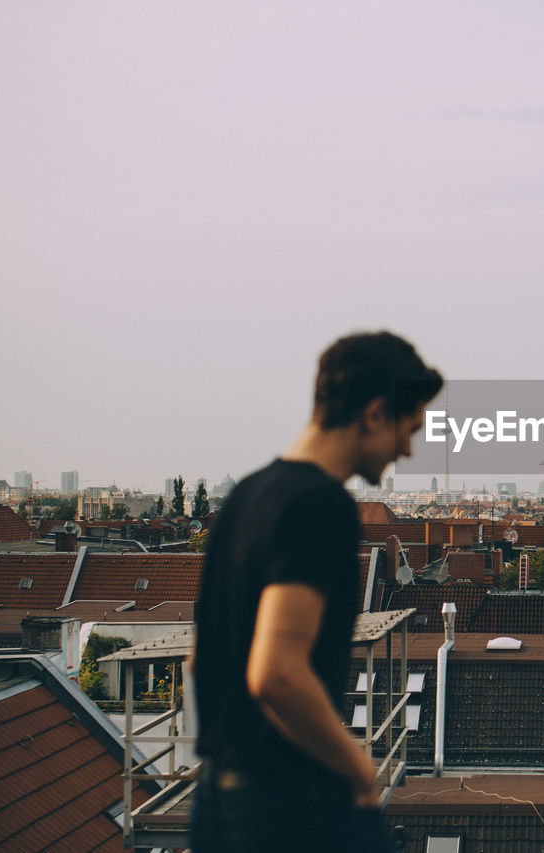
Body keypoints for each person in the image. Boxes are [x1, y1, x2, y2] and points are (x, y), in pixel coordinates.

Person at [191, 331, 442, 852]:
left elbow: (201, 659)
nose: (407, 448)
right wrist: (357, 769)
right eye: (408, 428)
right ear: (374, 414)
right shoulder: (319, 506)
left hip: (216, 800)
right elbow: (277, 673)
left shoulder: (246, 497)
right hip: (288, 807)